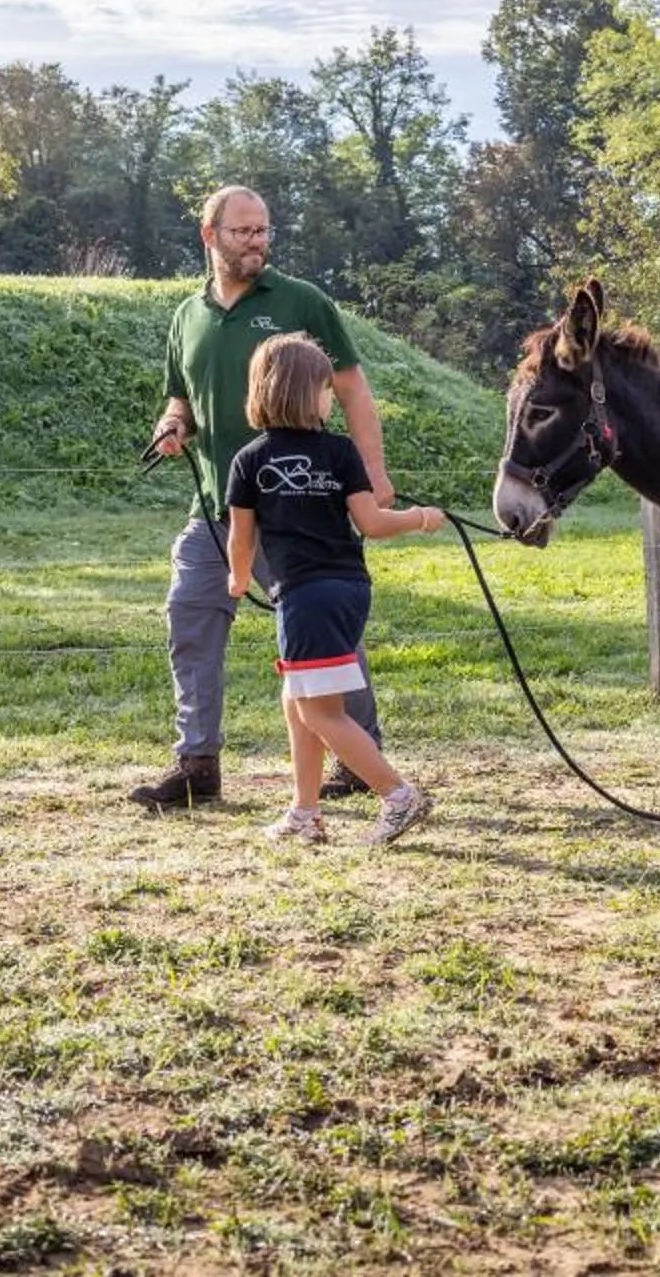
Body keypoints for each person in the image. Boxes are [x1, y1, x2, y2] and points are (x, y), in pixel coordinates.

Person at [131, 186, 398, 810]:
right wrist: (173, 426)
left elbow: (354, 391)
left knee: (329, 631)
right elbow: (183, 398)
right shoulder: (186, 316)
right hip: (219, 509)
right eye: (242, 231)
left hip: (300, 504)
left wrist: (373, 474)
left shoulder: (303, 302)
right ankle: (197, 763)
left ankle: (360, 759)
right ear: (209, 236)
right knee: (190, 618)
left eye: (263, 231)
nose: (256, 241)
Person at [222, 334, 441, 845]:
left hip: (305, 597)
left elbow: (241, 536)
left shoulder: (249, 461)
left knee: (320, 711)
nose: (330, 398)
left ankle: (398, 795)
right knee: (297, 700)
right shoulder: (341, 452)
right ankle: (305, 811)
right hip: (345, 591)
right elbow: (372, 523)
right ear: (305, 392)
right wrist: (421, 519)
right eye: (326, 388)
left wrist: (237, 579)